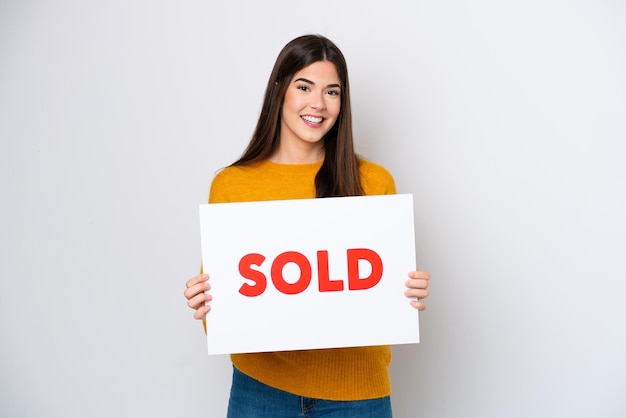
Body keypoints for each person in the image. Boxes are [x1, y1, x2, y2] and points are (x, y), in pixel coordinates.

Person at [184, 34, 430, 417]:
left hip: (357, 395)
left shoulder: (373, 182)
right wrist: (208, 304)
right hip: (260, 391)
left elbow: (385, 303)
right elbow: (223, 317)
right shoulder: (232, 184)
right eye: (304, 87)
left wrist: (406, 290)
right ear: (279, 90)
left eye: (332, 92)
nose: (318, 103)